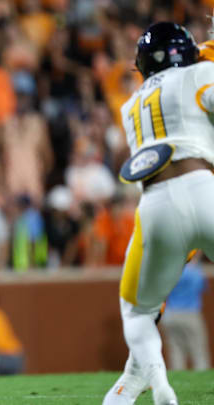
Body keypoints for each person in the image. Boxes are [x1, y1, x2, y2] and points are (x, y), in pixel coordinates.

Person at [103, 22, 214, 405]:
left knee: (137, 313)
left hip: (157, 207)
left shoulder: (130, 105)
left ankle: (159, 385)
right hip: (204, 188)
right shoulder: (201, 73)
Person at [159, 253, 211, 371]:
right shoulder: (196, 272)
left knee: (175, 349)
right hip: (190, 313)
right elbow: (203, 288)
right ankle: (202, 378)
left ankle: (178, 376)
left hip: (170, 314)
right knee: (198, 349)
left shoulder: (171, 270)